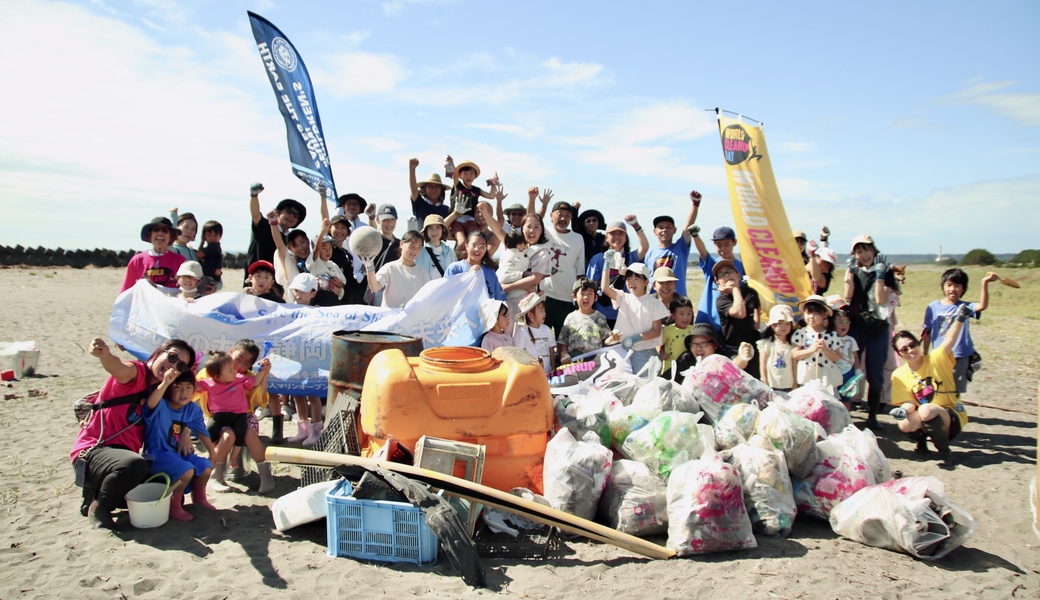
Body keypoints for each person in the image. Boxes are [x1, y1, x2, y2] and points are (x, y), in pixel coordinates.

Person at [72, 338, 195, 530]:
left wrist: (186, 432)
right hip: (94, 450)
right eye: (171, 357)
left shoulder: (161, 389)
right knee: (134, 465)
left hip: (121, 457)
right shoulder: (136, 373)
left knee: (161, 481)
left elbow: (184, 412)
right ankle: (100, 509)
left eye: (179, 365)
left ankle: (94, 493)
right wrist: (105, 356)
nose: (172, 365)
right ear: (159, 352)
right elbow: (119, 368)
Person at [889, 303, 974, 466]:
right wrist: (902, 410)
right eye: (904, 349)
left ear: (918, 344)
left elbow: (949, 339)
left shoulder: (937, 359)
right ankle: (921, 443)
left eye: (912, 345)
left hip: (950, 415)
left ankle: (945, 452)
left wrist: (960, 319)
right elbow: (908, 402)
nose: (910, 351)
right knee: (905, 423)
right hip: (925, 415)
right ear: (899, 354)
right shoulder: (899, 374)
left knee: (926, 409)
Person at [195, 351, 275, 494]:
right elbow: (194, 388)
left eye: (246, 363)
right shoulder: (208, 374)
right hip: (219, 416)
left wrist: (264, 372)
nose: (238, 367)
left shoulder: (241, 377)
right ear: (231, 353)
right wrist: (191, 370)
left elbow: (258, 394)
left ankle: (265, 475)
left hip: (242, 415)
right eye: (238, 360)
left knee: (249, 433)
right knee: (227, 435)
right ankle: (216, 475)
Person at [142, 368, 216, 522]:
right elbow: (150, 404)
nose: (184, 392)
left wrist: (212, 452)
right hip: (157, 455)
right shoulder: (161, 404)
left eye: (188, 387)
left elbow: (202, 431)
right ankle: (173, 506)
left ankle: (199, 499)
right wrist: (165, 382)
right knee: (186, 470)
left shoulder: (192, 409)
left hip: (178, 455)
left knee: (205, 465)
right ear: (169, 389)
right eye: (178, 387)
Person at [843, 234, 898, 430]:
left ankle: (872, 416)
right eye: (858, 250)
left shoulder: (886, 270)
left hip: (878, 327)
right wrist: (850, 273)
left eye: (866, 249)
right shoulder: (854, 270)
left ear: (874, 250)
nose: (863, 254)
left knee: (876, 372)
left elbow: (881, 299)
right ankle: (846, 409)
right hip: (858, 325)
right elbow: (848, 295)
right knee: (849, 366)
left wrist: (881, 276)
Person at [921, 269, 999, 396]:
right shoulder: (933, 307)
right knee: (939, 385)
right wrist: (925, 355)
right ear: (943, 286)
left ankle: (955, 413)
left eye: (957, 286)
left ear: (963, 289)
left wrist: (985, 283)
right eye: (949, 285)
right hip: (940, 355)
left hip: (960, 354)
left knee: (955, 389)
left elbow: (982, 306)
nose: (952, 289)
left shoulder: (965, 307)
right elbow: (927, 332)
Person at [478, 199, 550, 319]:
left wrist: (507, 287)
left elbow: (535, 279)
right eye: (528, 226)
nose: (532, 230)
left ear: (542, 230)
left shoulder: (542, 252)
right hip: (502, 301)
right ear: (522, 228)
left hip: (525, 303)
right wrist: (485, 212)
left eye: (536, 227)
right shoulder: (513, 244)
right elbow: (498, 230)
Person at [599, 262, 669, 376]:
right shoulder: (623, 297)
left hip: (646, 353)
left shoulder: (655, 303)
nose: (631, 282)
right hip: (623, 352)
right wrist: (606, 264)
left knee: (645, 387)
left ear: (646, 281)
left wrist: (636, 338)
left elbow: (656, 331)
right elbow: (605, 288)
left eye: (637, 279)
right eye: (629, 278)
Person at [587, 218, 649, 328]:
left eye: (620, 233)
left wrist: (636, 226)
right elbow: (591, 287)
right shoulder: (598, 259)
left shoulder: (632, 257)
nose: (616, 237)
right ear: (606, 237)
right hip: (602, 313)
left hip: (627, 313)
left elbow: (644, 247)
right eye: (612, 234)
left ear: (626, 238)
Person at [245, 182, 305, 287]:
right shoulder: (264, 225)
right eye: (289, 212)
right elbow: (255, 213)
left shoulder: (291, 240)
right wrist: (254, 195)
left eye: (296, 216)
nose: (291, 216)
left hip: (276, 286)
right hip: (255, 281)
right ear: (279, 211)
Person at [541, 200, 586, 335]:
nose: (563, 218)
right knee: (540, 337)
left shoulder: (578, 238)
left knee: (564, 339)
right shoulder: (544, 232)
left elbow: (580, 270)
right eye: (559, 214)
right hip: (544, 296)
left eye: (567, 215)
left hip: (567, 298)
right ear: (551, 215)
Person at [645, 190, 700, 297]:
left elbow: (689, 225)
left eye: (668, 227)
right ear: (654, 232)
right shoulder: (649, 254)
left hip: (678, 301)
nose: (664, 230)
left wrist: (695, 204)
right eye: (660, 227)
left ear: (674, 230)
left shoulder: (681, 247)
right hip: (655, 300)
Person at [714, 259, 761, 379]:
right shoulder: (722, 300)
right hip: (733, 349)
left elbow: (757, 308)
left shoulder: (750, 293)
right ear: (718, 282)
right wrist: (735, 289)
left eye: (729, 271)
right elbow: (740, 312)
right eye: (722, 275)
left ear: (738, 275)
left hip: (752, 346)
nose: (727, 275)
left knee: (755, 382)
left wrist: (755, 325)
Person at [445, 156, 499, 257]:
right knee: (462, 242)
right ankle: (452, 259)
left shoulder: (476, 190)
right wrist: (451, 163)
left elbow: (491, 196)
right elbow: (454, 177)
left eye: (471, 173)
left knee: (477, 239)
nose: (468, 176)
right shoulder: (458, 186)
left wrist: (493, 184)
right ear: (460, 175)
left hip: (470, 220)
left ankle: (472, 257)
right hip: (457, 220)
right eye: (465, 173)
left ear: (475, 176)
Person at [364, 230, 431, 308]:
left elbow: (428, 297)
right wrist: (370, 267)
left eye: (419, 247)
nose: (415, 250)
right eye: (411, 246)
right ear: (401, 244)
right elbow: (374, 287)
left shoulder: (422, 274)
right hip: (390, 318)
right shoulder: (389, 267)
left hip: (411, 318)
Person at [120, 216, 187, 294]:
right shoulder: (137, 260)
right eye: (156, 230)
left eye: (164, 230)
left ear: (171, 236)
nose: (160, 233)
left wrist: (159, 288)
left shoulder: (180, 261)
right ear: (150, 235)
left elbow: (186, 291)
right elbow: (126, 291)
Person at [791, 295, 844, 392]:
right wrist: (811, 349)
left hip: (826, 375)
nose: (811, 316)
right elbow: (795, 354)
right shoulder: (801, 333)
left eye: (816, 313)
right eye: (809, 313)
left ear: (825, 315)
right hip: (808, 373)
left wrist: (825, 350)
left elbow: (837, 357)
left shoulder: (831, 334)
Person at [673, 324, 754, 384]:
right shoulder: (686, 358)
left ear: (715, 345)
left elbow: (736, 364)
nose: (698, 348)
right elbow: (669, 380)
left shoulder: (722, 356)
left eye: (703, 343)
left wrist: (744, 356)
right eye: (694, 344)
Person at [557, 277, 611, 364]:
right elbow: (563, 341)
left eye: (590, 294)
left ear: (595, 297)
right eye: (582, 294)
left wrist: (612, 339)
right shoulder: (570, 318)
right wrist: (564, 354)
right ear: (574, 297)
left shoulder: (600, 317)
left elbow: (606, 340)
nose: (586, 297)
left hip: (596, 362)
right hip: (576, 362)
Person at [444, 231, 507, 301]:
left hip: (487, 311)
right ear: (466, 246)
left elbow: (500, 300)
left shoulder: (490, 272)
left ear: (486, 248)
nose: (477, 249)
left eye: (482, 246)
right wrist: (469, 276)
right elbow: (446, 295)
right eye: (474, 245)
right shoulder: (454, 269)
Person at [756, 304, 798, 392]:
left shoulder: (792, 345)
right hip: (771, 384)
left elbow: (794, 365)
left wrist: (795, 383)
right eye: (780, 324)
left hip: (788, 384)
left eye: (787, 324)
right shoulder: (766, 344)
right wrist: (764, 379)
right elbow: (763, 363)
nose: (784, 327)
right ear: (772, 325)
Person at [514, 292, 556, 374]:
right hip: (531, 375)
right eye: (541, 310)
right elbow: (519, 355)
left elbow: (551, 350)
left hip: (547, 373)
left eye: (544, 309)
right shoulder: (522, 332)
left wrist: (553, 368)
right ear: (530, 315)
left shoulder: (546, 329)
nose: (544, 313)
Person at [308, 220, 347, 306]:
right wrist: (323, 231)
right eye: (324, 248)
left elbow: (342, 284)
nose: (328, 250)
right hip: (318, 300)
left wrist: (338, 284)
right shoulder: (315, 262)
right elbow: (316, 251)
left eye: (330, 247)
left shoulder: (333, 265)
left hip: (333, 301)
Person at [659, 296, 694, 380]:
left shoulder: (693, 330)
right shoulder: (668, 330)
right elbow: (658, 344)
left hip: (687, 368)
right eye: (681, 314)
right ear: (673, 315)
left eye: (689, 313)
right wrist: (662, 353)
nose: (686, 317)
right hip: (670, 368)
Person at [409, 158, 452, 224]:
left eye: (437, 187)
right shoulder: (420, 205)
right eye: (430, 186)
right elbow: (414, 191)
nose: (434, 189)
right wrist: (412, 169)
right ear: (424, 189)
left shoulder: (446, 209)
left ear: (441, 190)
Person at [414, 215, 455, 280]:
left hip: (444, 288)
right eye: (430, 228)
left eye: (438, 227)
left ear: (442, 230)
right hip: (424, 288)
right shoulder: (419, 250)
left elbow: (454, 274)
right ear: (426, 231)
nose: (434, 231)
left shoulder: (449, 252)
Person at [196, 220, 223, 288]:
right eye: (209, 235)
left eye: (215, 235)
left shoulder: (214, 246)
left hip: (209, 277)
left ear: (220, 237)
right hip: (212, 276)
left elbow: (198, 255)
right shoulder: (214, 247)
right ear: (204, 235)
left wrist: (202, 242)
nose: (212, 238)